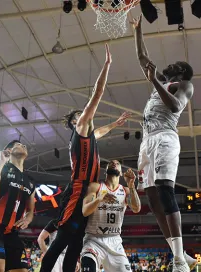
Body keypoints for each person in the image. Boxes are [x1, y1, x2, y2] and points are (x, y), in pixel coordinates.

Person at [40, 44, 130, 272]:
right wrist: (107, 65)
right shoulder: (80, 127)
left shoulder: (89, 134)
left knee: (75, 248)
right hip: (78, 191)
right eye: (82, 113)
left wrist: (115, 124)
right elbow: (97, 94)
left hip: (89, 191)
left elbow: (100, 132)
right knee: (61, 241)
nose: (86, 114)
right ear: (75, 121)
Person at [131, 14, 196, 272]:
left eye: (174, 64)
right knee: (153, 200)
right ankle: (180, 253)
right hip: (147, 141)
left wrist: (155, 82)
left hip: (165, 139)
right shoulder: (161, 80)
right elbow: (142, 58)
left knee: (165, 191)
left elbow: (175, 105)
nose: (169, 64)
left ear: (181, 71)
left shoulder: (185, 85)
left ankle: (179, 260)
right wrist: (138, 30)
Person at [0, 140, 35, 272]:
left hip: (11, 232)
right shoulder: (2, 169)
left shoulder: (30, 182)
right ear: (9, 151)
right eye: (18, 144)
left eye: (24, 145)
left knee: (22, 270)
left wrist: (28, 218)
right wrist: (1, 161)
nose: (23, 145)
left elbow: (31, 209)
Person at [80, 160, 141, 272]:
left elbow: (136, 208)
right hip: (94, 239)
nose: (114, 163)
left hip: (115, 241)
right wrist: (99, 198)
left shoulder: (125, 190)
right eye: (110, 163)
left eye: (117, 163)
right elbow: (85, 211)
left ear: (121, 173)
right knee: (88, 267)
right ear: (106, 171)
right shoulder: (96, 187)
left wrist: (131, 186)